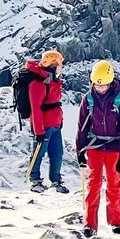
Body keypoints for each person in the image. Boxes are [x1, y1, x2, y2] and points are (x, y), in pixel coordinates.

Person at [76, 60, 120, 238]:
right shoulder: (88, 99)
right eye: (97, 85)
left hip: (114, 148)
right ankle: (89, 224)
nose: (100, 88)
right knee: (93, 185)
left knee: (113, 185)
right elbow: (81, 127)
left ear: (110, 82)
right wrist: (80, 152)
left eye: (104, 85)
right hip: (95, 147)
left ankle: (116, 222)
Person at [25, 49, 69, 194]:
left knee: (57, 153)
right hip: (43, 126)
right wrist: (38, 131)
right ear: (52, 64)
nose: (60, 67)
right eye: (59, 64)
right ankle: (35, 181)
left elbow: (55, 103)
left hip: (55, 124)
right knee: (39, 153)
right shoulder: (38, 83)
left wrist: (60, 120)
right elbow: (36, 109)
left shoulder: (53, 80)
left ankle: (55, 180)